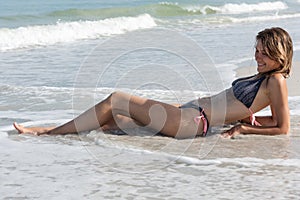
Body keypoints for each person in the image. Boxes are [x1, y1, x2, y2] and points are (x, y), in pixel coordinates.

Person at [13, 27, 293, 139]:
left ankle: (46, 132)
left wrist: (243, 128)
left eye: (264, 52)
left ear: (279, 52)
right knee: (115, 119)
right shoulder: (265, 78)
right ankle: (57, 131)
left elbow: (283, 127)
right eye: (256, 50)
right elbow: (266, 115)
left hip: (192, 121)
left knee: (116, 99)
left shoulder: (276, 80)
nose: (258, 56)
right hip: (190, 112)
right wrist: (248, 116)